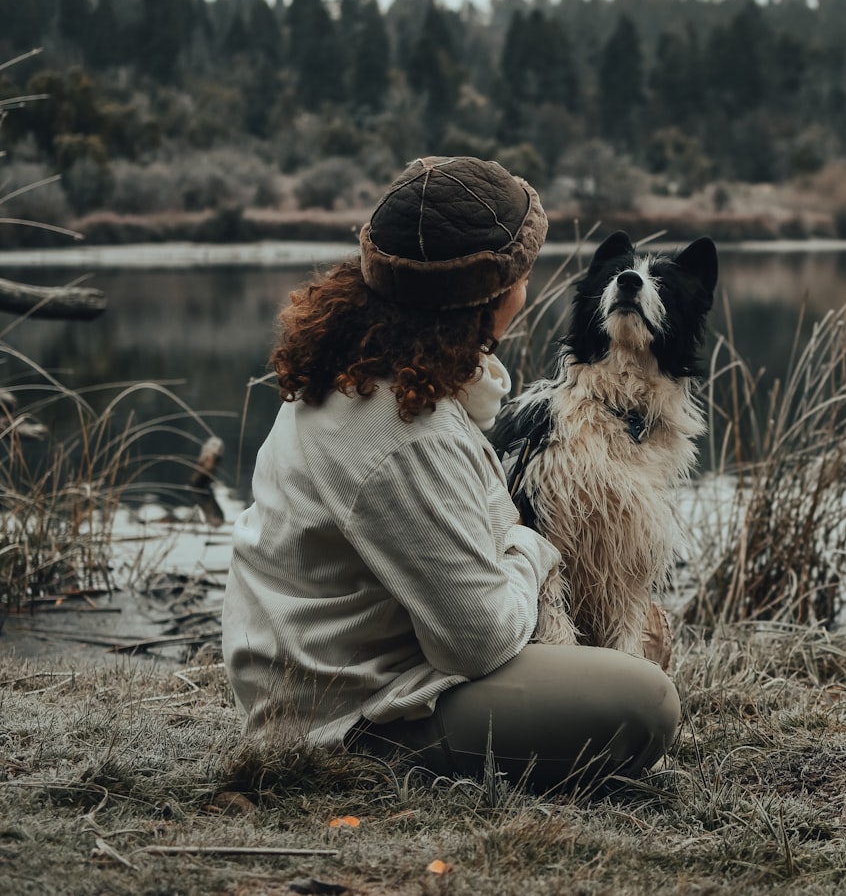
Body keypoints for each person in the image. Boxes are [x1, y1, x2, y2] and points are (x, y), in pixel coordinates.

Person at [222, 156, 680, 790]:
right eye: (523, 267)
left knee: (637, 652)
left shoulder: (362, 370)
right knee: (647, 704)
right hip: (353, 715)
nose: (529, 280)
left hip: (320, 679)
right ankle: (387, 760)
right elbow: (481, 641)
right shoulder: (407, 436)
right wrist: (528, 545)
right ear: (493, 293)